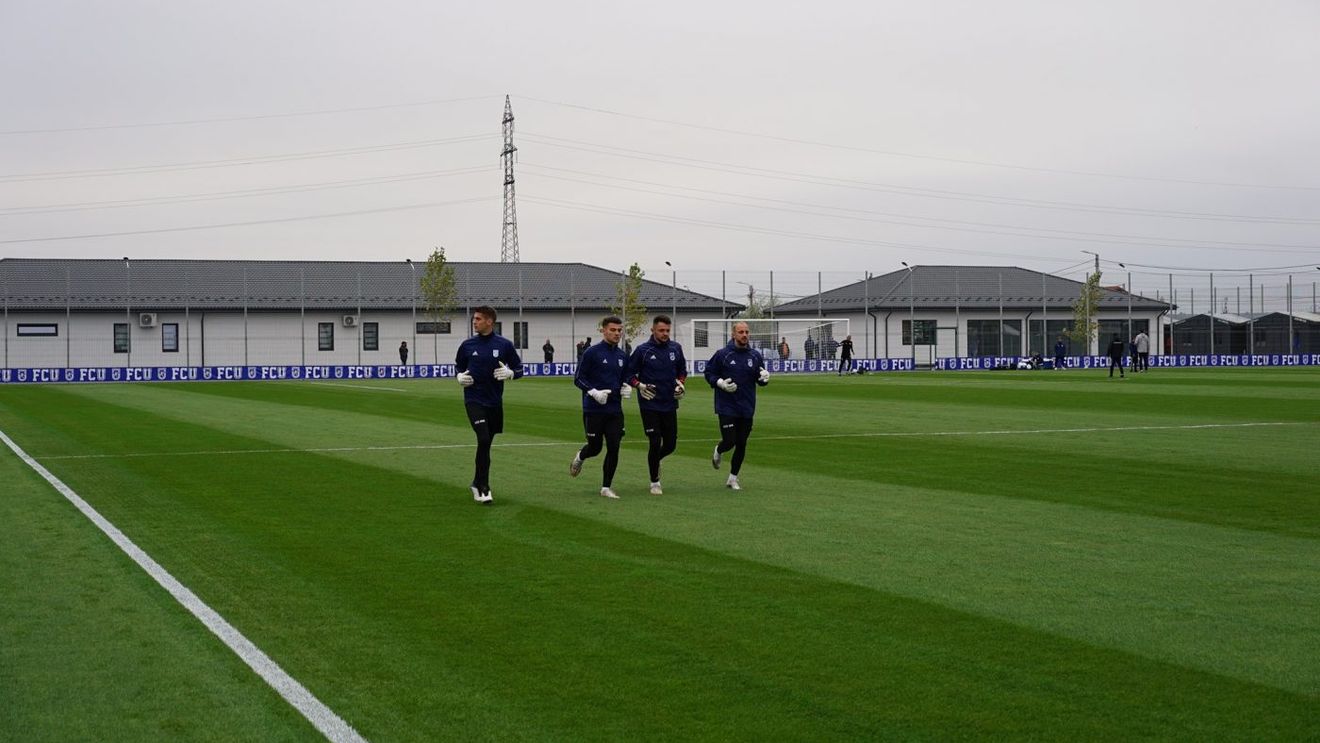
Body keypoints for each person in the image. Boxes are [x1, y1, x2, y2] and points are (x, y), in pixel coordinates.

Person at [455, 306, 523, 504]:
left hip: (494, 401)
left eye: (478, 319)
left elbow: (519, 368)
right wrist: (459, 376)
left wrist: (511, 374)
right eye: (474, 318)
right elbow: (458, 366)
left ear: (489, 322)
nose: (474, 322)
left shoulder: (504, 345)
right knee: (483, 439)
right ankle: (484, 487)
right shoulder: (467, 345)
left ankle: (476, 482)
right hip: (473, 400)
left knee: (486, 444)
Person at [570, 316, 631, 499]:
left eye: (619, 330)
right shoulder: (591, 353)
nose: (617, 333)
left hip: (614, 410)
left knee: (614, 447)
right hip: (593, 410)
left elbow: (624, 379)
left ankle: (606, 487)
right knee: (595, 448)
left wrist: (626, 387)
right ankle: (580, 456)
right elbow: (578, 378)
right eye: (612, 330)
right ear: (603, 330)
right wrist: (593, 392)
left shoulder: (622, 356)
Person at [704, 321, 769, 491]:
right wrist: (720, 383)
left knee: (742, 443)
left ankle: (733, 478)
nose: (745, 335)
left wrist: (764, 379)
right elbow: (709, 372)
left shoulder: (755, 355)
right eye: (741, 332)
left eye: (747, 332)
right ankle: (719, 449)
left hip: (747, 406)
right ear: (733, 334)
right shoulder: (723, 354)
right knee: (730, 440)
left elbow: (759, 378)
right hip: (726, 405)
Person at [627, 315, 688, 495]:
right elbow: (629, 374)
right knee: (655, 442)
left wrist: (681, 384)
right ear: (653, 330)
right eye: (661, 330)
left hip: (669, 403)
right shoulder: (642, 350)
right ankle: (655, 482)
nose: (665, 334)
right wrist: (639, 385)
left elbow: (682, 371)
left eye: (667, 331)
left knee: (670, 445)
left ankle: (655, 460)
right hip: (649, 404)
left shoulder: (676, 348)